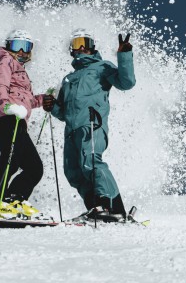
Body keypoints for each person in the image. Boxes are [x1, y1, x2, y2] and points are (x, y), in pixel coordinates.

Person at [44, 29, 135, 221]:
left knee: (91, 162)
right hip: (71, 131)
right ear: (71, 49)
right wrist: (52, 106)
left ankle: (113, 207)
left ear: (93, 46)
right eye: (77, 43)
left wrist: (124, 55)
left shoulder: (102, 67)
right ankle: (96, 207)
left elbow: (126, 83)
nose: (82, 47)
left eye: (86, 42)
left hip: (92, 123)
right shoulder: (68, 79)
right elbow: (63, 112)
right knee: (73, 172)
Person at [0, 29, 55, 218]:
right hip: (7, 118)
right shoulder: (6, 60)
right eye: (16, 46)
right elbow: (0, 86)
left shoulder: (23, 74)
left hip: (19, 120)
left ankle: (13, 199)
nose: (21, 52)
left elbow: (27, 100)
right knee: (10, 159)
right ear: (8, 46)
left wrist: (43, 99)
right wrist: (7, 106)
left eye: (26, 47)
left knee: (34, 167)